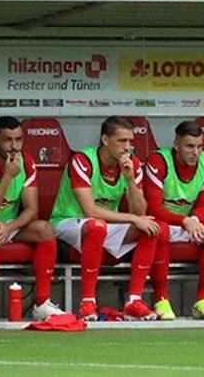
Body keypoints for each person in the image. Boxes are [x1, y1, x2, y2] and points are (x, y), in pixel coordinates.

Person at [50, 116, 161, 321]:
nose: (127, 147)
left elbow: (140, 211)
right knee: (96, 225)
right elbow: (89, 210)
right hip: (67, 222)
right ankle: (87, 302)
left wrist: (130, 180)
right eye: (121, 141)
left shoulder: (132, 164)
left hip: (104, 224)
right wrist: (132, 218)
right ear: (105, 139)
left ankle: (134, 301)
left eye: (130, 141)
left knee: (150, 228)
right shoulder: (83, 160)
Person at [142, 120, 204, 321]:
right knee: (159, 229)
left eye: (199, 146)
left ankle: (202, 301)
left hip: (187, 222)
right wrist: (186, 221)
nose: (195, 152)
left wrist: (195, 220)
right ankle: (161, 299)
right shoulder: (159, 161)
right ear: (176, 143)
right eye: (189, 146)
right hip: (163, 221)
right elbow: (153, 208)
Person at [0, 116, 64, 322]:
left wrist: (9, 227)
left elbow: (32, 210)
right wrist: (7, 178)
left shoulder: (27, 161)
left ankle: (42, 303)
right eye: (7, 140)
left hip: (10, 226)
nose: (14, 146)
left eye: (18, 140)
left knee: (44, 229)